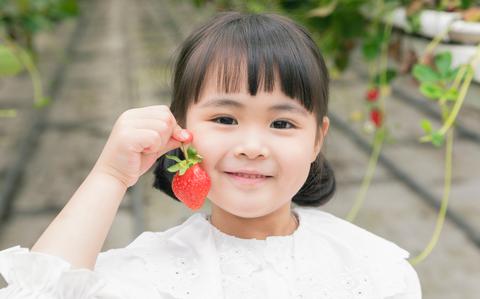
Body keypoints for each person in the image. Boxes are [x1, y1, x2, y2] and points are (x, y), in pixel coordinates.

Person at [0, 11, 421, 299]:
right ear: (181, 130)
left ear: (317, 140)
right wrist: (110, 175)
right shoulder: (153, 273)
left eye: (281, 124)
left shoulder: (374, 268)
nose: (252, 147)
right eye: (224, 118)